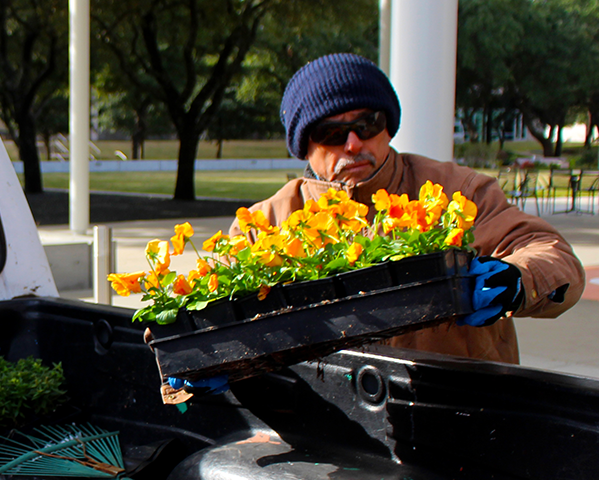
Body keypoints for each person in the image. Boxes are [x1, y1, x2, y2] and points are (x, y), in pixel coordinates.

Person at [232, 53, 584, 363]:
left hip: (461, 408)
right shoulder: (264, 225)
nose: (353, 144)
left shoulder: (457, 192)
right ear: (303, 145)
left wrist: (517, 280)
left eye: (367, 124)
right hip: (327, 422)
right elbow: (223, 317)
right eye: (331, 133)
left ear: (388, 128)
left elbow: (553, 255)